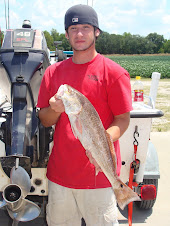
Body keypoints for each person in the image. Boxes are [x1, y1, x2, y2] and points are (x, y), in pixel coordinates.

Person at [37, 4, 132, 226]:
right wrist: (55, 110)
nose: (80, 34)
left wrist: (103, 141)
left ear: (96, 31)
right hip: (60, 177)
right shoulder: (53, 72)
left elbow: (122, 119)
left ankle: (121, 190)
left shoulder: (114, 73)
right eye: (74, 28)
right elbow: (44, 119)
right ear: (67, 33)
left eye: (86, 27)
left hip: (98, 178)